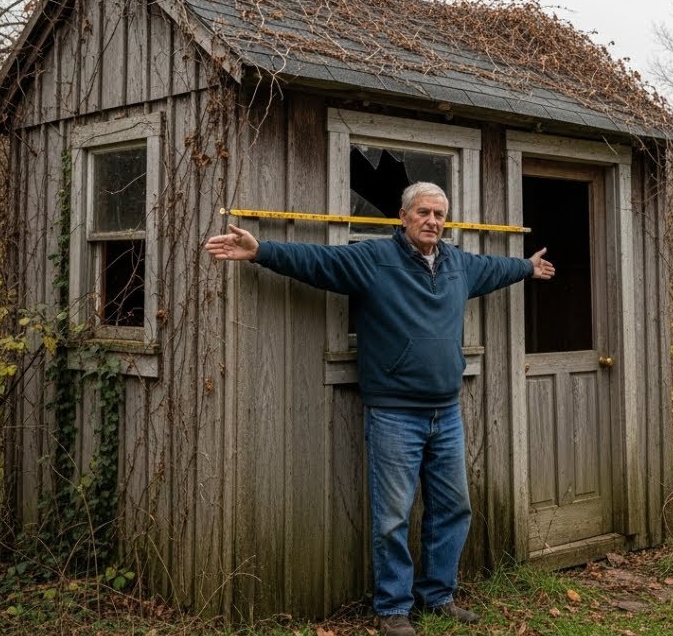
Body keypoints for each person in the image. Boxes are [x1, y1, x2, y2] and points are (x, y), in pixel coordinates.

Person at [205, 182, 554, 636]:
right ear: (403, 216)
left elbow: (493, 268)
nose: (432, 221)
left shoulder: (457, 264)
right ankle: (392, 608)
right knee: (392, 517)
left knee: (453, 508)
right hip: (394, 413)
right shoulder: (374, 260)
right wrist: (260, 251)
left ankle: (438, 596)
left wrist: (525, 266)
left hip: (445, 412)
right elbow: (318, 262)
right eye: (424, 212)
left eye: (440, 214)